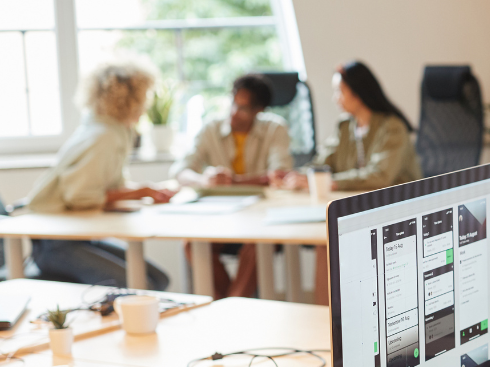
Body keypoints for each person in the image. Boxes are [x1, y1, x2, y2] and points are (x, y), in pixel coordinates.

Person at [276, 61, 421, 304]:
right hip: (359, 208)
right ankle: (325, 324)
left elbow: (379, 176)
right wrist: (298, 176)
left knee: (329, 242)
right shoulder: (346, 127)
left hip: (394, 212)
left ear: (357, 92)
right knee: (325, 242)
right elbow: (322, 163)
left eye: (338, 91)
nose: (335, 99)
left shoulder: (393, 128)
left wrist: (331, 183)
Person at [25, 61, 175, 290]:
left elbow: (109, 187)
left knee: (159, 280)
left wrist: (146, 191)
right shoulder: (103, 136)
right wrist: (142, 191)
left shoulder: (110, 129)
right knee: (141, 285)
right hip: (57, 244)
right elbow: (81, 196)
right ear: (130, 99)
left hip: (79, 236)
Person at [171, 73, 292, 299]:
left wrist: (232, 181)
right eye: (234, 103)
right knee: (191, 243)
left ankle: (231, 308)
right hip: (221, 220)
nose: (235, 112)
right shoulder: (211, 129)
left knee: (258, 246)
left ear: (259, 111)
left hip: (261, 223)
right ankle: (230, 307)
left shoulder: (275, 129)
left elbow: (280, 175)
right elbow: (180, 171)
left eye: (244, 108)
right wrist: (203, 179)